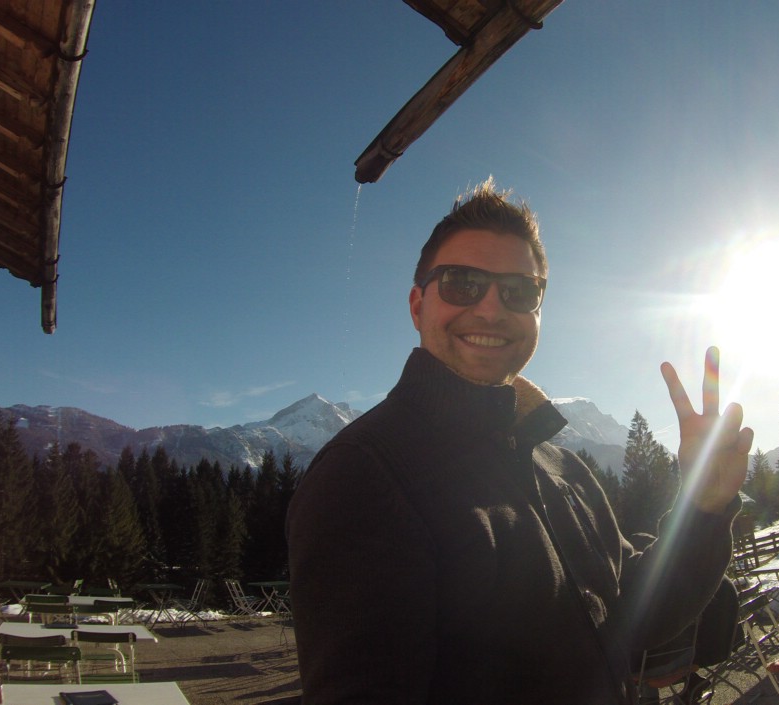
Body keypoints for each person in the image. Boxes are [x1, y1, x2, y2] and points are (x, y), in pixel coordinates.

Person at [286, 179, 753, 705]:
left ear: (538, 312)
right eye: (462, 283)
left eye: (519, 291)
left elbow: (634, 614)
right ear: (417, 306)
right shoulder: (363, 475)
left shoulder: (563, 469)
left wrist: (704, 509)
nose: (491, 308)